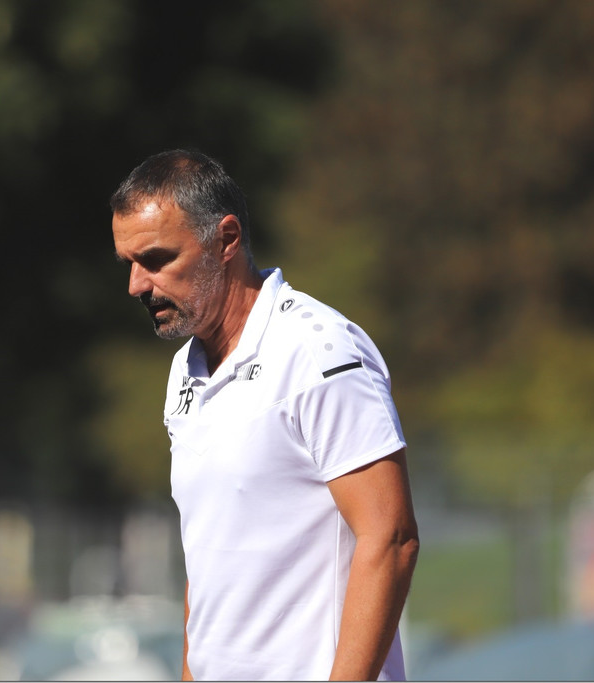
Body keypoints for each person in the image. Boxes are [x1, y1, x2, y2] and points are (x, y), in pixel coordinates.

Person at [110, 149, 419, 681]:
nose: (137, 284)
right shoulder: (185, 368)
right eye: (129, 264)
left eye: (156, 259)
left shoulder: (316, 350)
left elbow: (390, 540)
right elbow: (209, 563)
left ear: (226, 239)